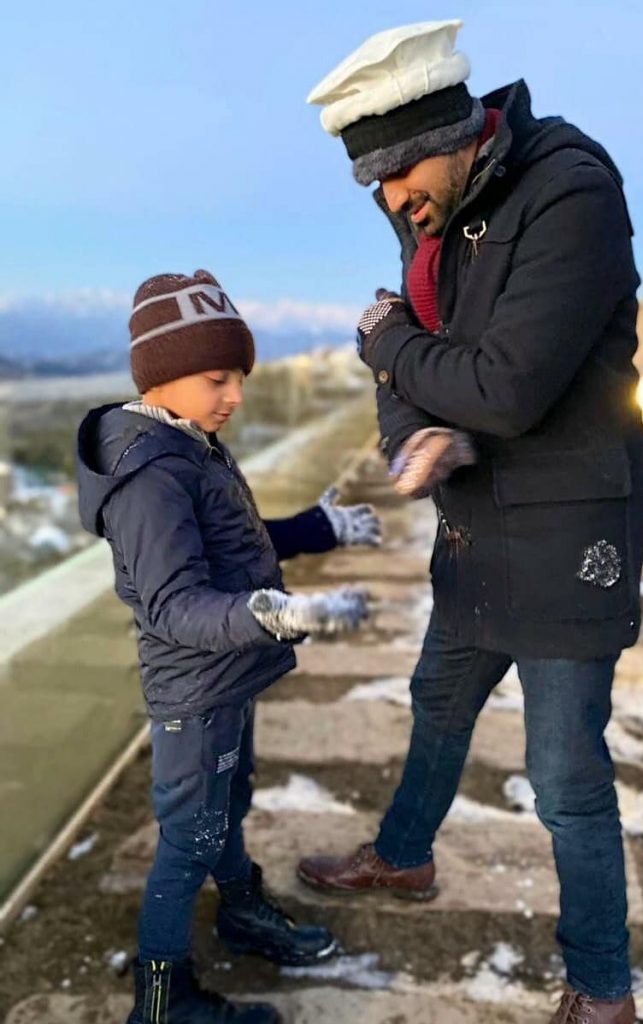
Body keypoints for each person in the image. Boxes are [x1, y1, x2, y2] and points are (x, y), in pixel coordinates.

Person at [299, 21, 643, 1024]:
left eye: (404, 184)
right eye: (379, 193)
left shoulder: (572, 188)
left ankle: (602, 989)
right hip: (474, 523)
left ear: (458, 135)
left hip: (569, 535)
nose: (396, 209)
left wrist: (389, 348)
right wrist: (413, 423)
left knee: (564, 777)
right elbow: (412, 349)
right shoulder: (429, 204)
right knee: (437, 700)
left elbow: (499, 386)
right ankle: (403, 857)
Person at [76, 269, 377, 1024]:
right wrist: (273, 613)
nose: (235, 396)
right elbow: (177, 605)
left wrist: (316, 529)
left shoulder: (187, 442)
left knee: (228, 803)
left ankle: (241, 912)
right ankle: (160, 999)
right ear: (163, 375)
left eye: (238, 377)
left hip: (227, 676)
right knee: (189, 836)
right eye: (218, 378)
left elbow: (231, 545)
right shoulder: (148, 474)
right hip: (194, 689)